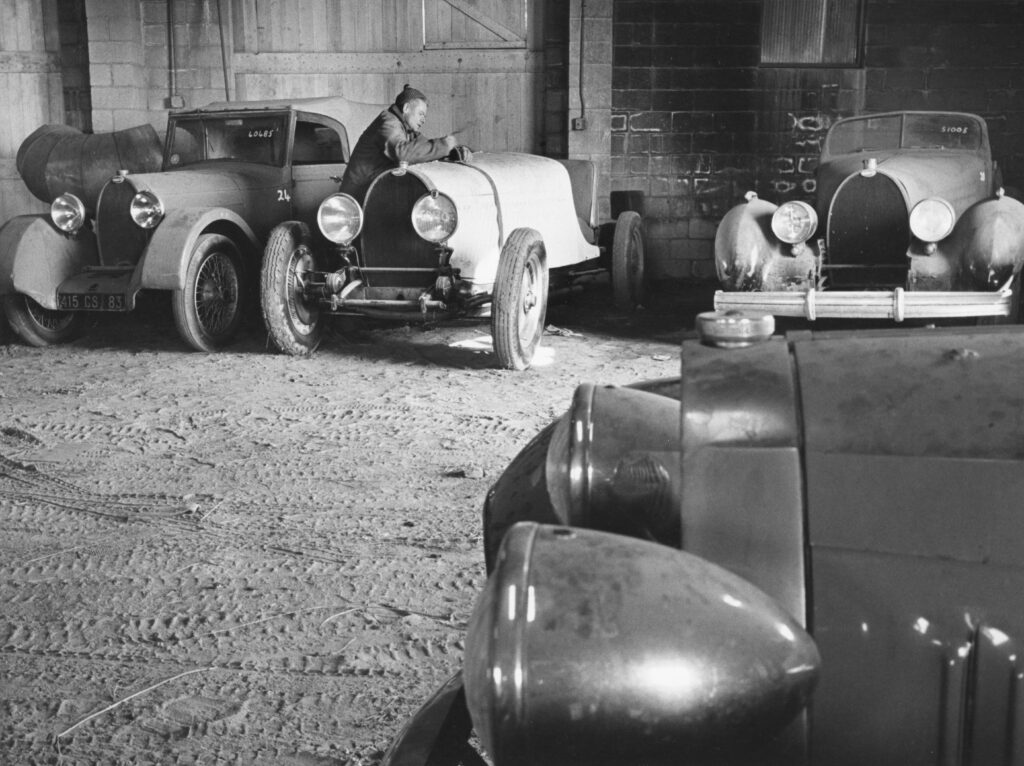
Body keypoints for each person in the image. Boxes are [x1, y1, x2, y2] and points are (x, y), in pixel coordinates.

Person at [340, 84, 457, 202]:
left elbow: (425, 147)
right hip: (356, 200)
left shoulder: (407, 129)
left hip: (374, 193)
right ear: (406, 108)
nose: (423, 120)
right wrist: (444, 146)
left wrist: (454, 151)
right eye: (420, 114)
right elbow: (401, 152)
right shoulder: (388, 122)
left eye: (424, 116)